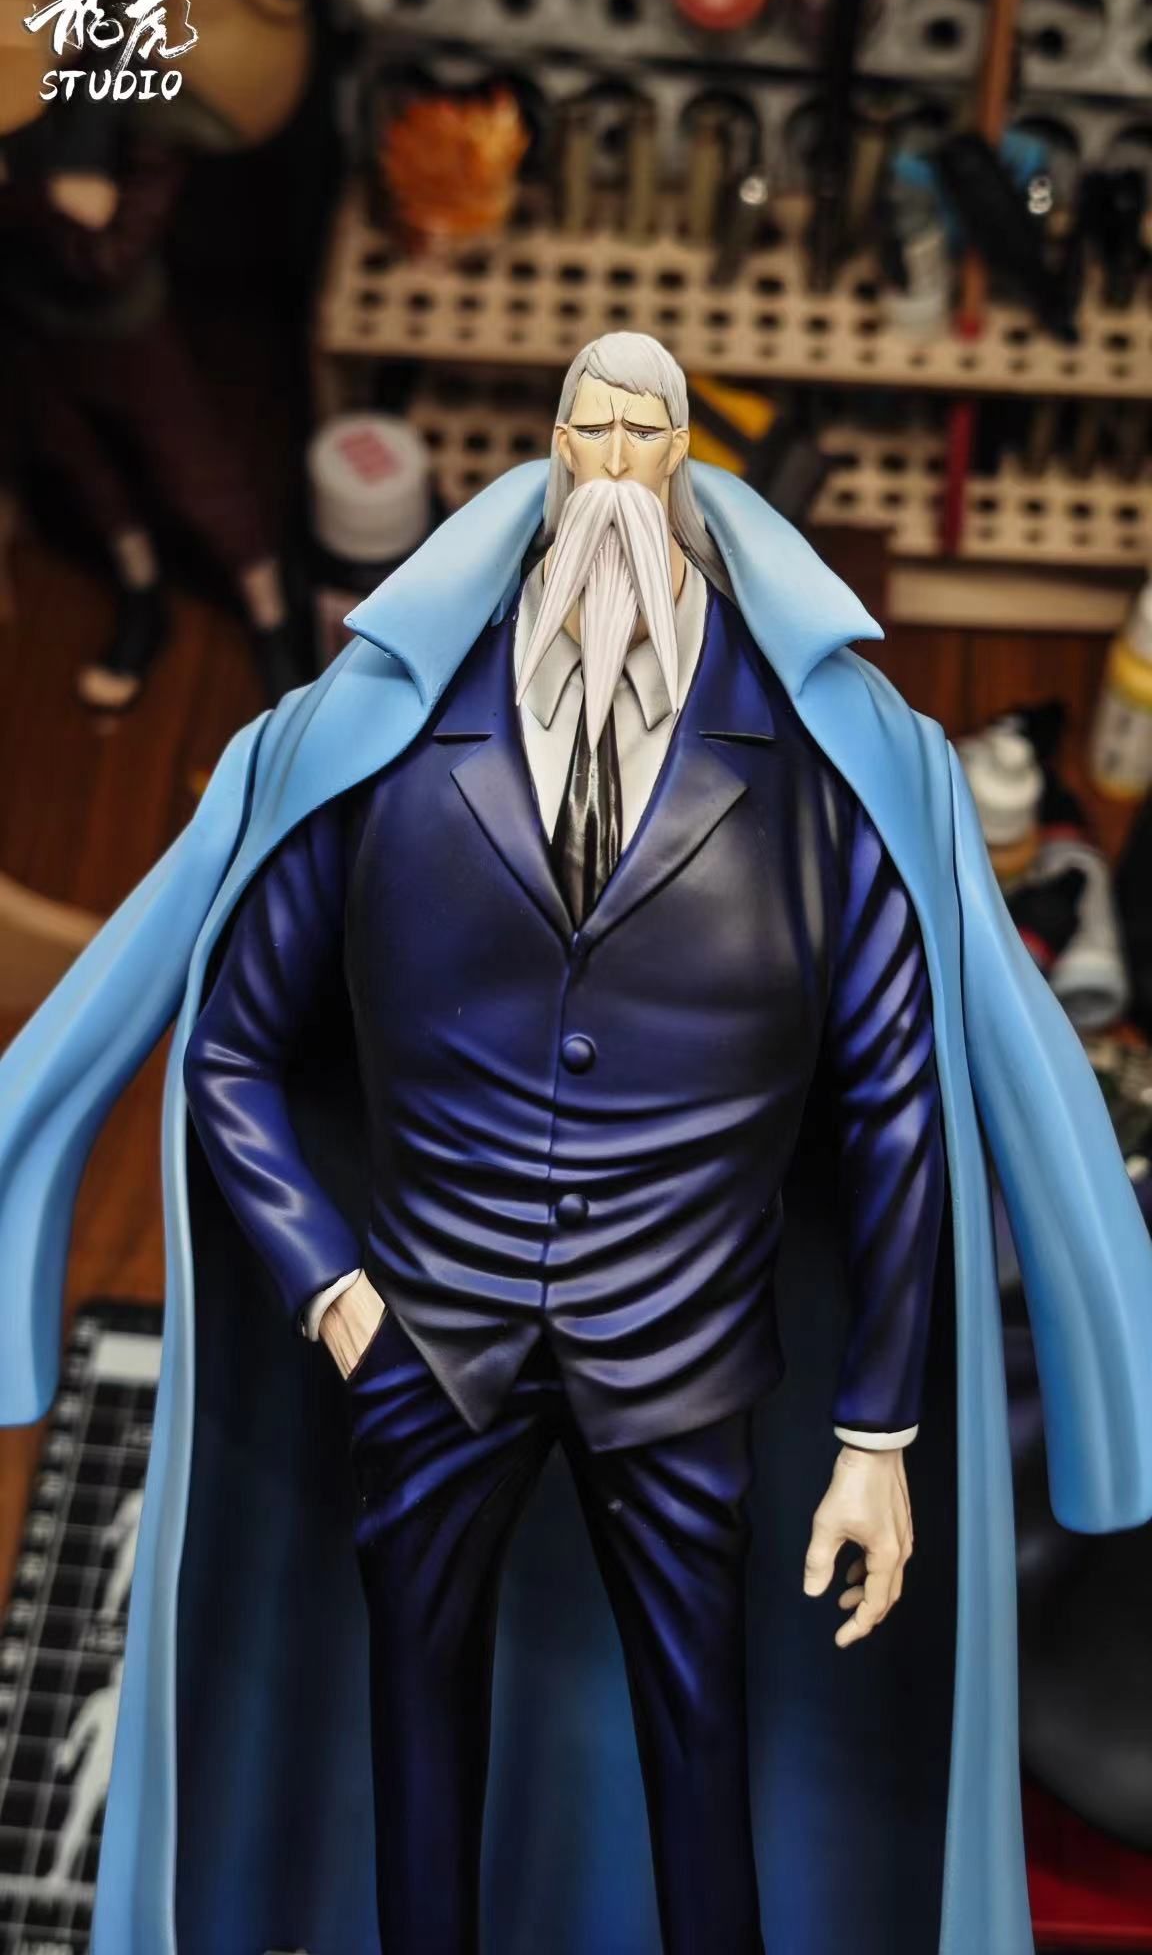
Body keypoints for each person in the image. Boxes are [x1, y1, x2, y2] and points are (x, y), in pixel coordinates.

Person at [0, 334, 1150, 1955]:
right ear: (547, 454)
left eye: (645, 437)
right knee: (409, 1745)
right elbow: (230, 1050)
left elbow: (901, 1107)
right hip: (428, 1347)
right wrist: (336, 1293)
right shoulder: (373, 743)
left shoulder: (835, 775)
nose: (614, 470)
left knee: (704, 1756)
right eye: (587, 434)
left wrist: (879, 1436)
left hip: (682, 1359)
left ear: (687, 467)